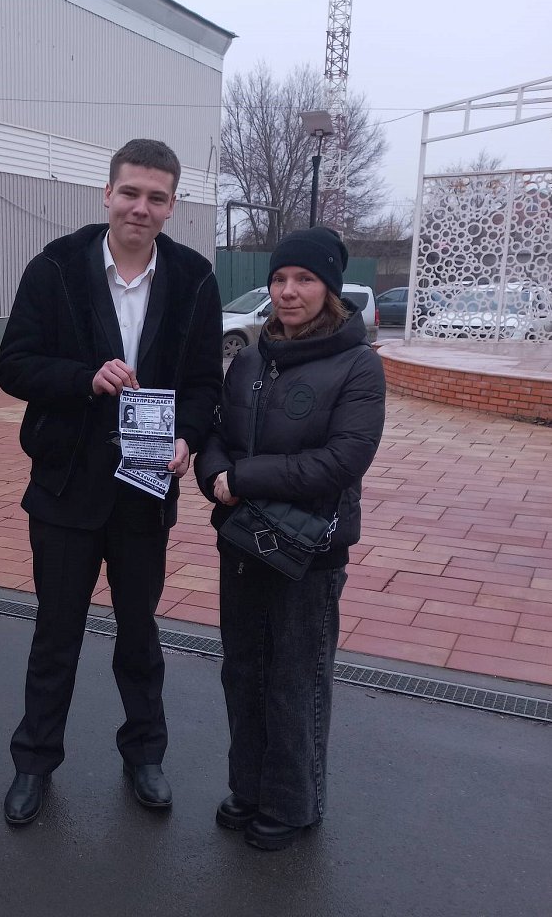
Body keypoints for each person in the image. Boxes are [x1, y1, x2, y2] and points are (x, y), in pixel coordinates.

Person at [0, 138, 223, 824]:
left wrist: (187, 438)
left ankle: (144, 755)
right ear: (107, 193)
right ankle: (34, 762)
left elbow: (205, 385)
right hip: (65, 485)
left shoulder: (194, 278)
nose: (140, 208)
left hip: (145, 489)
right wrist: (82, 377)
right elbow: (13, 365)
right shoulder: (56, 266)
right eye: (130, 193)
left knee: (139, 635)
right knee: (55, 634)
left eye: (156, 197)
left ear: (172, 205)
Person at [194, 227, 386, 851]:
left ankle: (292, 802)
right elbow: (218, 433)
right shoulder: (252, 358)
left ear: (329, 287)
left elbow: (343, 459)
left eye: (304, 279)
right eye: (279, 279)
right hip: (243, 541)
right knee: (243, 671)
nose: (288, 291)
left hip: (309, 553)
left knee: (295, 679)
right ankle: (249, 789)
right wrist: (212, 474)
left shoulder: (358, 364)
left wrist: (242, 478)